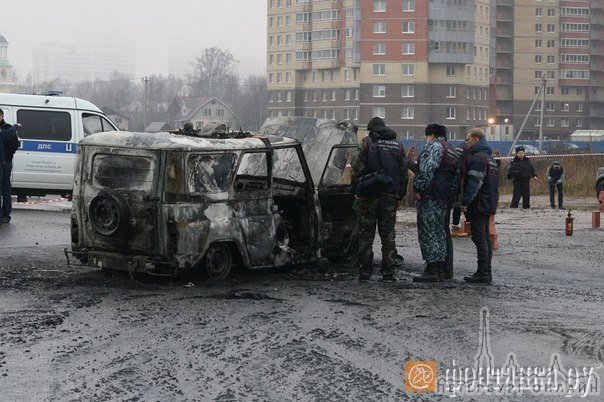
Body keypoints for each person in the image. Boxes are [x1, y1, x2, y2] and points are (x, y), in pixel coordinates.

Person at [351, 117, 408, 283]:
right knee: (388, 235)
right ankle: (388, 273)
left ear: (371, 130)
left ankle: (364, 273)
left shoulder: (366, 143)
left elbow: (357, 169)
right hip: (389, 197)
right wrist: (400, 195)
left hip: (368, 196)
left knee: (366, 235)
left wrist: (355, 191)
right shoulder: (398, 145)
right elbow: (404, 174)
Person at [411, 123, 461, 282]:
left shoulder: (434, 147)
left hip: (431, 195)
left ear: (431, 134)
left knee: (428, 231)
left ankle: (432, 269)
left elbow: (426, 171)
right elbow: (456, 176)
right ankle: (440, 268)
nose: (426, 139)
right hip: (444, 197)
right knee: (440, 232)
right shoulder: (451, 150)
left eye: (427, 136)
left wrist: (418, 188)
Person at [461, 128, 499, 284]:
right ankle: (485, 271)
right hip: (488, 202)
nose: (466, 143)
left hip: (479, 203)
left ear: (476, 139)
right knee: (485, 239)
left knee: (479, 238)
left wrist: (465, 201)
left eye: (468, 140)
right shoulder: (490, 158)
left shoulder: (478, 159)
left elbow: (474, 183)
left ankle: (483, 272)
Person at [1, 109, 20, 223]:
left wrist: (5, 158)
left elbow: (14, 146)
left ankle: (6, 214)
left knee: (6, 189)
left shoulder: (8, 128)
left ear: (2, 116)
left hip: (6, 163)